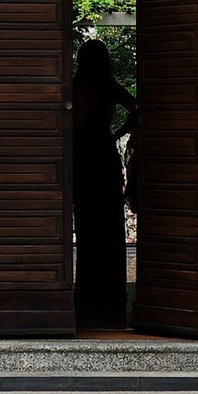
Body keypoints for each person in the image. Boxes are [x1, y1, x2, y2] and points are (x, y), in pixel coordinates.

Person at [71, 36, 131, 331]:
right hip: (105, 158)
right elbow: (137, 108)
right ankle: (111, 296)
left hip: (85, 160)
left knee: (88, 228)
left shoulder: (80, 86)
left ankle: (89, 296)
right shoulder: (110, 86)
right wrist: (116, 134)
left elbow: (78, 126)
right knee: (109, 227)